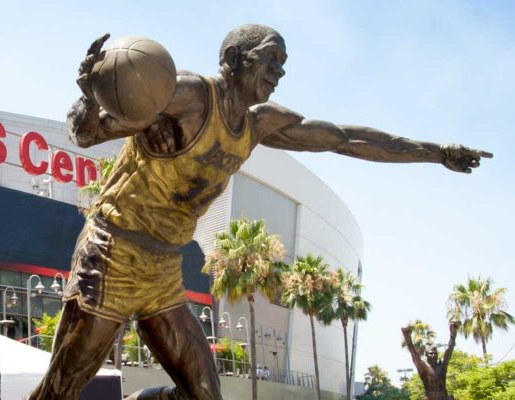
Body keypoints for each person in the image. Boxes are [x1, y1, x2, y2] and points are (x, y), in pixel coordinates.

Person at [29, 24, 491, 400]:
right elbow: (88, 134)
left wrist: (437, 152)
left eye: (283, 64)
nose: (278, 72)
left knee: (205, 394)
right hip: (113, 252)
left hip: (163, 267)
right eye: (270, 59)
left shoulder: (260, 121)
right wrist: (92, 93)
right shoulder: (188, 95)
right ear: (233, 60)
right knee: (61, 390)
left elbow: (347, 139)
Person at [401, 321, 460, 400]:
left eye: (435, 353)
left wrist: (453, 333)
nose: (433, 355)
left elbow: (449, 349)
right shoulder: (423, 367)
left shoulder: (442, 365)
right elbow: (414, 354)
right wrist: (406, 335)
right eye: (431, 353)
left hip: (443, 397)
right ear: (426, 355)